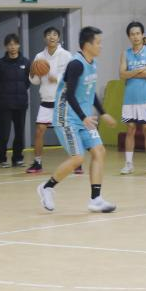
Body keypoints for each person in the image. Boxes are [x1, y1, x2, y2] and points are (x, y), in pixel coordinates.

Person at [37, 26, 117, 213]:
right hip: (66, 118)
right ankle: (47, 187)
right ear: (87, 45)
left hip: (83, 118)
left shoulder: (93, 63)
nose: (101, 46)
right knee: (78, 158)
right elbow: (69, 94)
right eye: (98, 43)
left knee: (99, 151)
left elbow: (90, 91)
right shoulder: (76, 64)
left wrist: (103, 112)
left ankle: (96, 199)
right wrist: (83, 117)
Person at [27, 27, 72, 174]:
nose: (52, 37)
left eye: (54, 34)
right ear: (44, 38)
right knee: (39, 131)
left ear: (58, 38)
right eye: (48, 34)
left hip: (62, 100)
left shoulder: (66, 55)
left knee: (68, 132)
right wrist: (32, 73)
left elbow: (71, 76)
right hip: (46, 100)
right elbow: (35, 81)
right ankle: (37, 162)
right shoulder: (39, 56)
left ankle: (76, 161)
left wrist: (57, 78)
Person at [119, 21, 146, 175]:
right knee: (130, 129)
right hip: (129, 98)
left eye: (138, 33)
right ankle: (128, 164)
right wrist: (139, 70)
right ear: (129, 37)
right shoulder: (125, 53)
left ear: (142, 35)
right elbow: (122, 75)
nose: (135, 36)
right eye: (132, 34)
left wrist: (131, 72)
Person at [0, 33, 30, 168]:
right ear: (6, 46)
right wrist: (1, 96)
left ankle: (17, 158)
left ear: (19, 45)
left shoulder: (26, 62)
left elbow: (27, 82)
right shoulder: (0, 64)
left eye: (15, 44)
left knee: (19, 133)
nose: (12, 47)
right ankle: (0, 159)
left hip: (21, 103)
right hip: (5, 104)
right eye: (9, 44)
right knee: (4, 133)